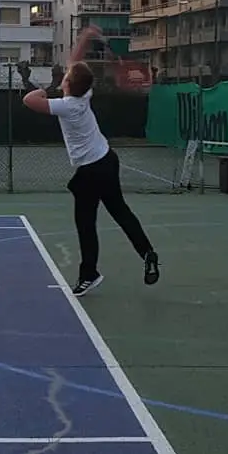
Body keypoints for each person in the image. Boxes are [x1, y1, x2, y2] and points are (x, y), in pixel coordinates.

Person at [23, 26, 159, 296]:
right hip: (107, 160)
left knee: (85, 223)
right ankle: (148, 253)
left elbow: (29, 100)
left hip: (93, 170)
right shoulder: (83, 95)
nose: (64, 76)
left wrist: (45, 88)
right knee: (120, 212)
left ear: (69, 85)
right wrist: (87, 36)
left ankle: (90, 274)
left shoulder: (68, 104)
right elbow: (75, 61)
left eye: (66, 78)